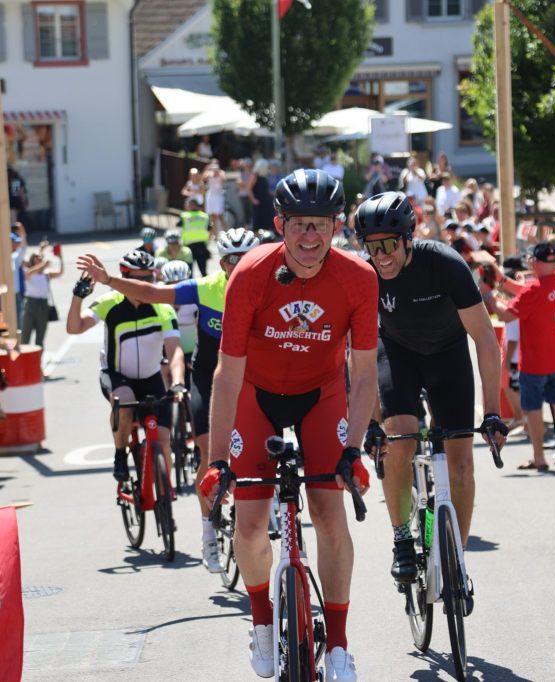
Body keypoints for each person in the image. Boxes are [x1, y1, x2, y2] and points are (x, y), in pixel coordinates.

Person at [197, 169, 378, 680]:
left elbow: (364, 375)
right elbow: (227, 375)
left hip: (322, 396)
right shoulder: (250, 275)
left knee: (328, 512)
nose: (309, 236)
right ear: (280, 224)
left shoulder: (358, 278)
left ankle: (339, 644)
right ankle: (260, 622)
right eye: (299, 224)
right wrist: (216, 462)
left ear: (337, 226)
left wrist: (354, 450)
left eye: (320, 225)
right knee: (252, 526)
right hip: (256, 396)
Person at [76, 229, 260, 572]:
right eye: (232, 260)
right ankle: (208, 532)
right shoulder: (206, 287)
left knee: (264, 449)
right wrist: (109, 280)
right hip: (210, 378)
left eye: (247, 258)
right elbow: (152, 292)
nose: (240, 266)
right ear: (221, 263)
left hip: (254, 377)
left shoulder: (270, 283)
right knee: (209, 452)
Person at [352, 191, 507, 584]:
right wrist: (370, 422)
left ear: (408, 239)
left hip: (447, 355)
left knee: (461, 460)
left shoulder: (443, 264)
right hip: (397, 354)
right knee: (398, 440)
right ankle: (402, 538)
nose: (381, 255)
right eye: (372, 247)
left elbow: (486, 341)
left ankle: (457, 555)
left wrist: (492, 413)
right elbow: (360, 355)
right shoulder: (365, 276)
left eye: (388, 245)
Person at [66, 250, 185, 484]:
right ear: (124, 277)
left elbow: (174, 350)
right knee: (124, 399)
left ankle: (165, 501)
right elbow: (74, 327)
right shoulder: (110, 304)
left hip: (151, 378)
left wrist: (178, 381)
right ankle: (120, 454)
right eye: (137, 279)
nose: (143, 285)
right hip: (117, 376)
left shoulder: (163, 308)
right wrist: (78, 296)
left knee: (163, 441)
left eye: (148, 279)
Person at [492, 241, 555, 471]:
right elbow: (531, 294)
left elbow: (506, 315)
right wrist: (502, 280)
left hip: (535, 362)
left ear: (534, 262)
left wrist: (488, 294)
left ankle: (539, 457)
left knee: (534, 409)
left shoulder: (534, 290)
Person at [20, 242, 64, 348]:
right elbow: (29, 273)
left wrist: (60, 258)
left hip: (43, 305)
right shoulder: (29, 271)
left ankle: (38, 360)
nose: (39, 259)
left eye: (40, 258)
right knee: (25, 335)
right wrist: (41, 255)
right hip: (31, 303)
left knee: (40, 337)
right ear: (32, 260)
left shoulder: (46, 273)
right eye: (36, 258)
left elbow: (60, 272)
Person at [180, 198, 214, 277]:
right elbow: (209, 228)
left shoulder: (184, 216)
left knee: (188, 271)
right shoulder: (204, 216)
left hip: (189, 246)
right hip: (201, 245)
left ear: (189, 205)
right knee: (203, 270)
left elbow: (178, 224)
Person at [203, 160, 227, 233]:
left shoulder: (221, 173)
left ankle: (226, 232)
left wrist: (218, 173)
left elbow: (224, 180)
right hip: (211, 196)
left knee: (220, 216)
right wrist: (207, 169)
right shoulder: (209, 173)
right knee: (212, 217)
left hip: (218, 196)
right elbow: (204, 178)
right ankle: (214, 234)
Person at [251, 159, 275, 231]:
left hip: (266, 201)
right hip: (259, 202)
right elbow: (248, 188)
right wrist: (253, 199)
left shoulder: (264, 176)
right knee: (259, 221)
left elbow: (266, 189)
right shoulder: (255, 176)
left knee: (268, 220)